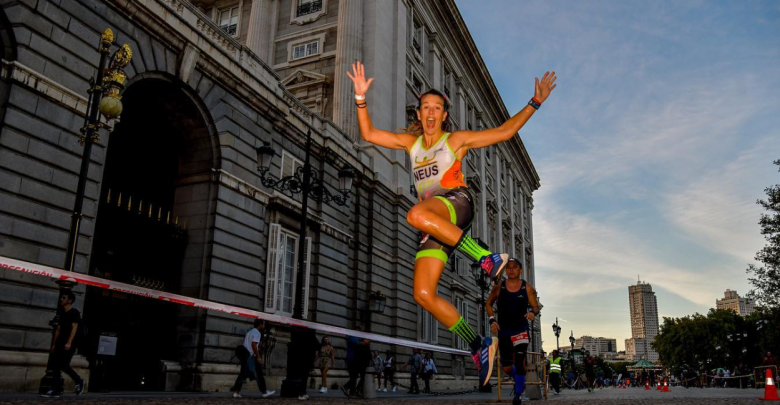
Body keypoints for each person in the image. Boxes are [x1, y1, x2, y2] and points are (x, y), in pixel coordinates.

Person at [347, 61, 556, 386]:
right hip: (436, 221)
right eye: (425, 108)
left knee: (414, 214)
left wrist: (535, 102)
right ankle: (478, 344)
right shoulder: (410, 143)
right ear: (419, 114)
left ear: (444, 116)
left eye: (437, 108)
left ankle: (485, 258)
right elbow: (369, 133)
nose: (431, 113)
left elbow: (504, 132)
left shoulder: (455, 140)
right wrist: (361, 98)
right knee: (423, 292)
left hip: (457, 203)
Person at [485, 259, 541, 405]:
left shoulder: (527, 288)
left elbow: (535, 306)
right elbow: (488, 303)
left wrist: (532, 313)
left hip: (520, 329)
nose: (511, 270)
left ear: (520, 271)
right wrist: (492, 320)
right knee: (507, 367)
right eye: (508, 268)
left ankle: (518, 395)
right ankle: (519, 379)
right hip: (504, 330)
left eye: (514, 267)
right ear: (505, 271)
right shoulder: (499, 287)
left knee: (520, 360)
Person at [41, 292, 85, 398]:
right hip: (60, 342)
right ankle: (56, 390)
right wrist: (54, 344)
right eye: (61, 297)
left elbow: (74, 328)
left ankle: (78, 380)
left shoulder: (74, 312)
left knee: (63, 365)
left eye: (64, 298)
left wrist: (69, 342)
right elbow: (58, 329)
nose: (61, 299)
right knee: (56, 366)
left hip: (69, 343)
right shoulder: (62, 313)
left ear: (70, 300)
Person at [231, 319, 276, 398]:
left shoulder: (250, 332)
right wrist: (258, 357)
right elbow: (253, 345)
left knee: (243, 374)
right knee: (259, 374)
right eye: (263, 324)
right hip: (251, 356)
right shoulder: (257, 333)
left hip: (245, 356)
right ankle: (264, 392)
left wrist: (260, 345)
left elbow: (250, 344)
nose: (264, 325)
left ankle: (236, 392)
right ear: (259, 325)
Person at [342, 331, 370, 397]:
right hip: (359, 364)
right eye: (367, 339)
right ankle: (353, 389)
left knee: (355, 377)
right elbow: (367, 356)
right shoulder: (357, 342)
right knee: (358, 377)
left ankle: (353, 392)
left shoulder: (358, 344)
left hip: (356, 363)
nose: (368, 340)